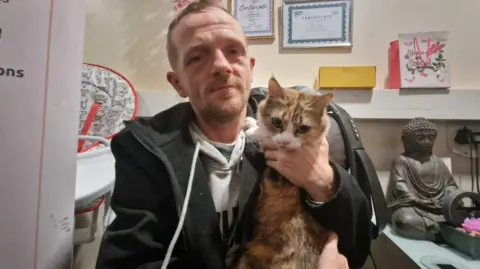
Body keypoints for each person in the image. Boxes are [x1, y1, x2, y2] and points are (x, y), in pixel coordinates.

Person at [95, 1, 371, 268]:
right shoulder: (144, 149)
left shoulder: (300, 138)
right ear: (177, 82)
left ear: (250, 69)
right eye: (197, 57)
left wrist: (322, 181)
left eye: (233, 51)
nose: (221, 65)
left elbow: (357, 248)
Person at [386, 117, 463, 242]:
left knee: (463, 214)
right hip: (414, 207)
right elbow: (400, 185)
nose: (426, 141)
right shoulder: (402, 161)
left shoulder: (438, 163)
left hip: (440, 206)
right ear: (407, 140)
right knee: (403, 221)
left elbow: (450, 185)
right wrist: (418, 200)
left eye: (431, 138)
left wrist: (453, 196)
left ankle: (441, 231)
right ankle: (443, 233)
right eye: (420, 138)